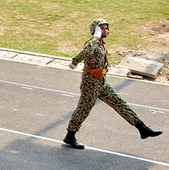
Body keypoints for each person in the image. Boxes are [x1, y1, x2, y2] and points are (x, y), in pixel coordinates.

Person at [63, 19, 162, 149]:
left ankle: (142, 128)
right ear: (96, 30)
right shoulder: (92, 43)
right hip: (90, 83)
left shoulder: (101, 44)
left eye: (106, 28)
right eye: (102, 28)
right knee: (83, 110)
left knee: (119, 103)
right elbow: (86, 52)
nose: (105, 30)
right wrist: (93, 39)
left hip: (101, 81)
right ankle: (70, 136)